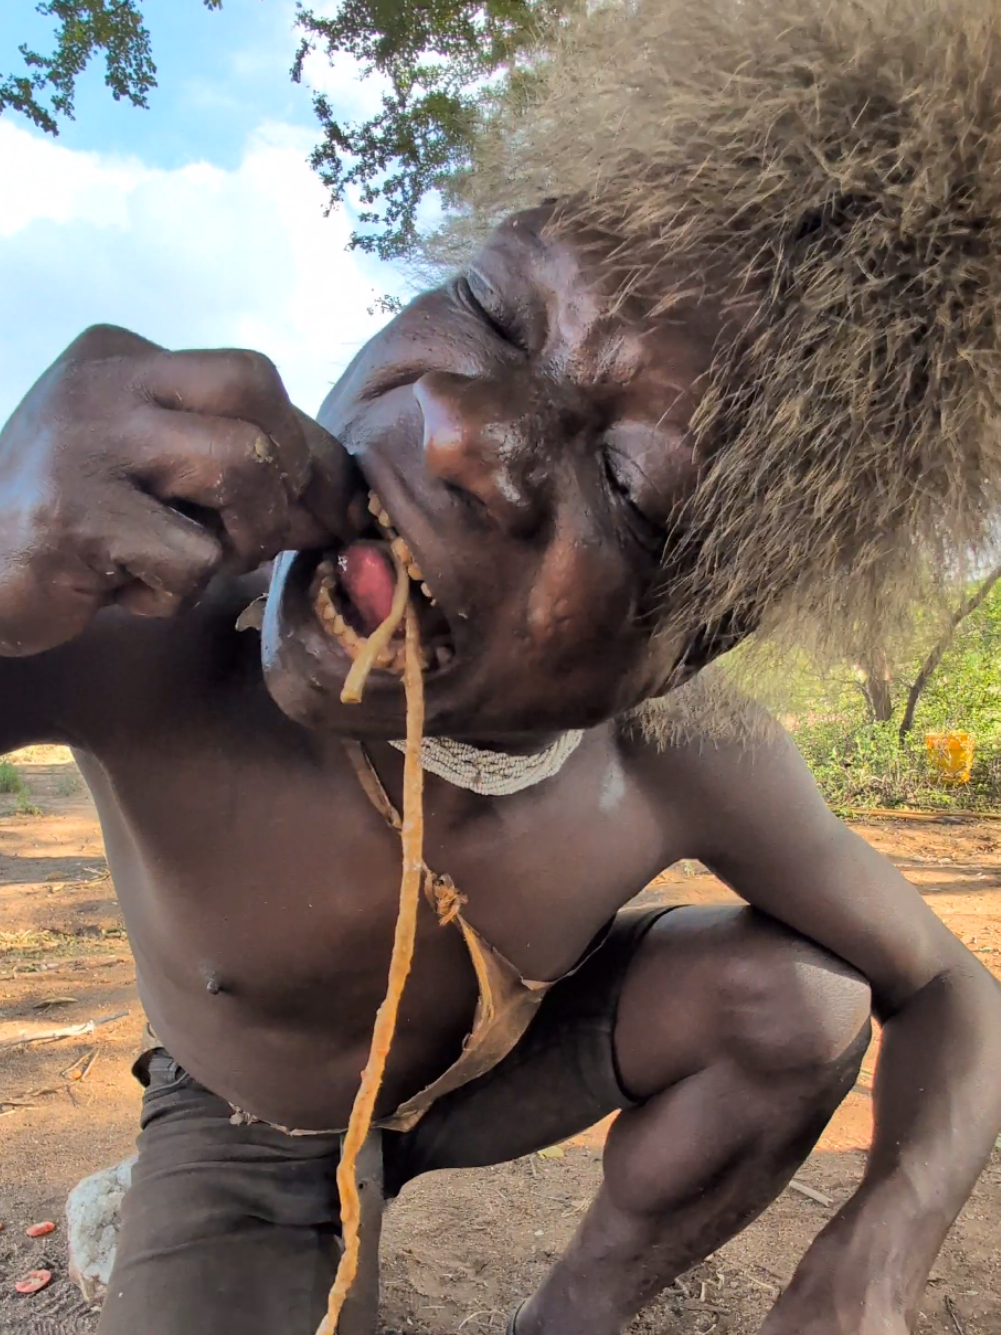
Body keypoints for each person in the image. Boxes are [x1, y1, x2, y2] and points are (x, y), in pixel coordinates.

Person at [3, 1, 1001, 1332]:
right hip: (246, 1128)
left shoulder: (680, 754)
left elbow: (948, 989)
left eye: (627, 483)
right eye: (488, 306)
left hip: (488, 1075)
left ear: (678, 650)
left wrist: (883, 1236)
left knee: (804, 1001)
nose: (462, 428)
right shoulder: (156, 622)